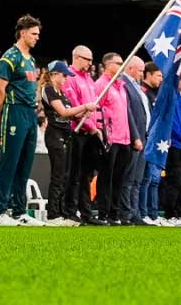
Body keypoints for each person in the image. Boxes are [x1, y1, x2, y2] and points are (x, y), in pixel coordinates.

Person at [0, 14, 45, 226]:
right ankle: (0, 210)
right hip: (14, 112)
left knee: (25, 163)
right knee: (9, 162)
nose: (36, 38)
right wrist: (1, 116)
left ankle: (19, 210)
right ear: (22, 33)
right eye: (33, 34)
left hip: (30, 114)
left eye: (38, 34)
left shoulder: (30, 60)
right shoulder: (9, 58)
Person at [40, 59, 92, 226]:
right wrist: (84, 106)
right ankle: (53, 214)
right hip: (55, 135)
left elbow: (73, 114)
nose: (65, 79)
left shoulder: (61, 93)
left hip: (66, 133)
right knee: (58, 175)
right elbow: (63, 111)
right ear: (54, 74)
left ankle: (62, 212)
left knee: (66, 175)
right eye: (63, 76)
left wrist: (86, 111)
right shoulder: (48, 90)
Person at [63, 45, 103, 225]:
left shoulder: (88, 79)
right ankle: (70, 211)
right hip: (76, 130)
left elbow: (93, 106)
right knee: (73, 173)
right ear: (76, 57)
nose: (90, 63)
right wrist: (92, 126)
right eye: (87, 59)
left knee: (87, 175)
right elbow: (75, 106)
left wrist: (96, 126)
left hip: (90, 132)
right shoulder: (70, 77)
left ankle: (86, 212)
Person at [93, 52, 131, 225]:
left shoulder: (121, 86)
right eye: (119, 63)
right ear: (108, 65)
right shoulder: (101, 84)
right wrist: (101, 133)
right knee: (106, 178)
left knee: (119, 179)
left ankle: (114, 214)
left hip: (124, 139)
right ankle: (103, 213)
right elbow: (96, 110)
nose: (122, 66)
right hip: (110, 138)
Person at [160, 68, 181, 226]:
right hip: (174, 145)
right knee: (174, 180)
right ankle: (170, 214)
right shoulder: (170, 97)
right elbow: (171, 123)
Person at [121, 56, 150, 225]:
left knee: (137, 180)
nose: (141, 73)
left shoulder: (137, 86)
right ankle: (126, 213)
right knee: (129, 179)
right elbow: (128, 113)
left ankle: (135, 212)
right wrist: (135, 136)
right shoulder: (125, 84)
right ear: (130, 68)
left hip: (143, 137)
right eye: (140, 70)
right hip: (135, 138)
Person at [137, 61, 164, 223]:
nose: (161, 79)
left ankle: (149, 213)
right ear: (149, 74)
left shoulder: (156, 93)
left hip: (154, 141)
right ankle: (141, 212)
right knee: (143, 179)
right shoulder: (143, 91)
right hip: (145, 139)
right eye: (159, 75)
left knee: (151, 179)